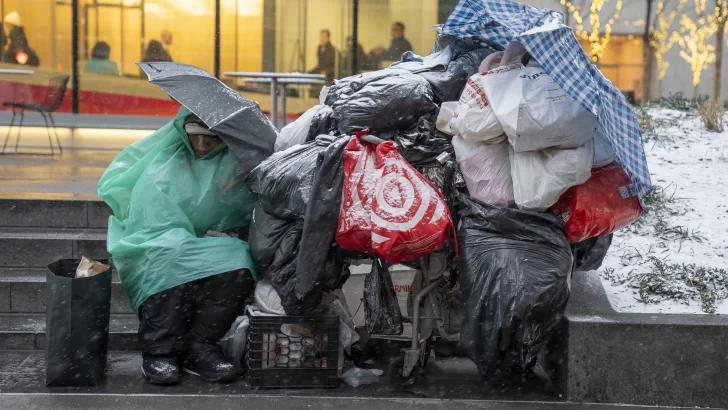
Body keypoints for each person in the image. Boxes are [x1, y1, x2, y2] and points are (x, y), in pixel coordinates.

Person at [97, 107, 257, 385]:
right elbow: (151, 218)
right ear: (183, 133)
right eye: (195, 137)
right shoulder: (164, 162)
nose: (203, 145)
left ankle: (202, 345)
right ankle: (160, 352)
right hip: (157, 241)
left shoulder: (236, 167)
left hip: (208, 242)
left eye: (212, 139)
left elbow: (242, 214)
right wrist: (185, 235)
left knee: (239, 260)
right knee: (170, 256)